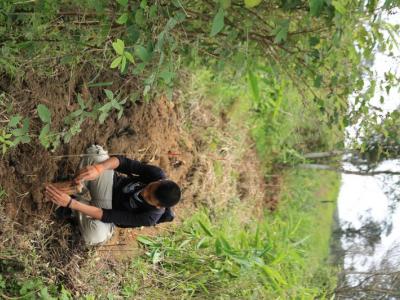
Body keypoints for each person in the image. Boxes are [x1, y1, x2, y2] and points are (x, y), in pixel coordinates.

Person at [45, 145, 181, 245]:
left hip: (109, 211)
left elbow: (107, 215)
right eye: (150, 187)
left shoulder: (149, 217)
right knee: (97, 154)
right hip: (110, 186)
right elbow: (123, 163)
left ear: (158, 206)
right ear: (160, 181)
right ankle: (78, 185)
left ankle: (74, 205)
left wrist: (71, 203)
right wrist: (99, 168)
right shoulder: (157, 174)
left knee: (95, 236)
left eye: (149, 197)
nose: (145, 192)